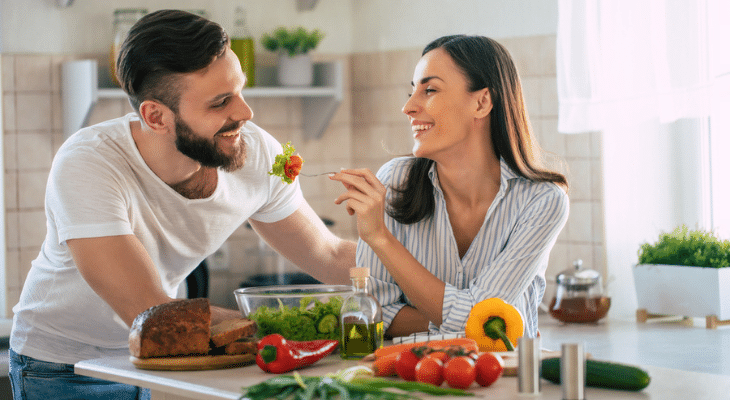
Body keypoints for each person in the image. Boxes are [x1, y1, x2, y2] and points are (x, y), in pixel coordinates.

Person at [8, 10, 355, 400]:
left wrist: (422, 276)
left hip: (166, 359)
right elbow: (149, 309)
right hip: (64, 367)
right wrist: (295, 323)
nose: (244, 112)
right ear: (155, 116)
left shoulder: (254, 152)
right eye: (220, 102)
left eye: (240, 91)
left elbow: (329, 254)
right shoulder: (89, 162)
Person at [331, 35, 569, 340]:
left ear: (482, 102)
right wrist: (463, 323)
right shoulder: (394, 182)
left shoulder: (542, 201)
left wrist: (380, 238)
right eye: (412, 91)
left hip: (503, 380)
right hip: (411, 377)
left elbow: (480, 316)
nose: (408, 107)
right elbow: (375, 313)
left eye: (429, 90)